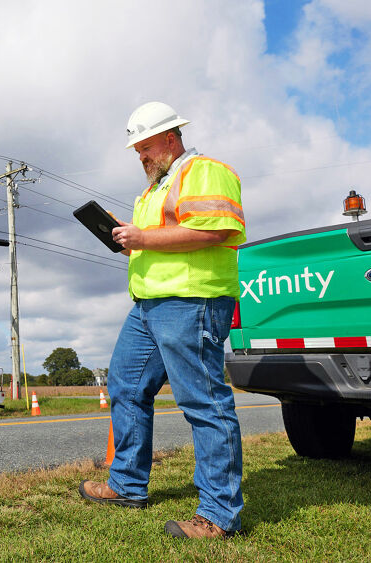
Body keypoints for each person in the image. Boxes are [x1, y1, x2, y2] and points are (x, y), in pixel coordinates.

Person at [78, 101, 246, 540]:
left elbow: (217, 230)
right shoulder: (154, 190)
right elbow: (157, 242)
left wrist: (144, 236)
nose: (141, 156)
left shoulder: (205, 171)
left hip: (192, 300)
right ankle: (127, 485)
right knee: (126, 386)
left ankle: (219, 515)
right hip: (148, 306)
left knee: (203, 402)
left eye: (146, 147)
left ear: (171, 138)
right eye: (137, 150)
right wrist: (130, 239)